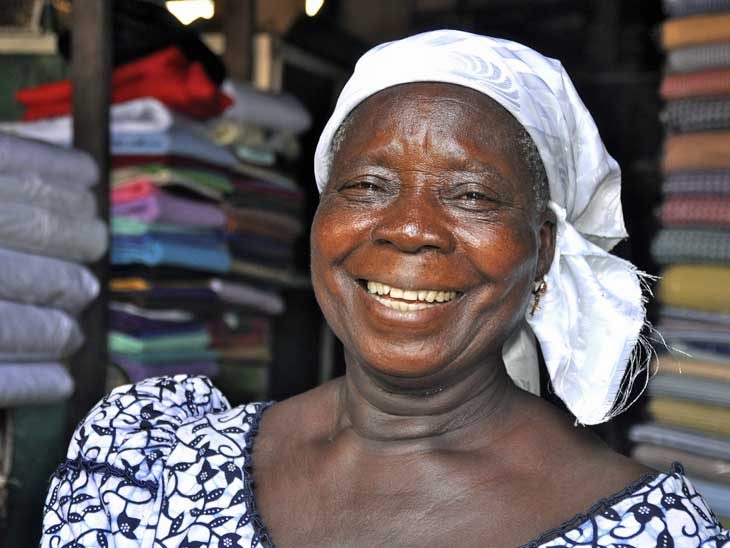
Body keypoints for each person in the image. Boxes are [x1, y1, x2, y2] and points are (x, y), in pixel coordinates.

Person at [41, 30, 729, 547]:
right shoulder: (149, 465)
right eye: (367, 185)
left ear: (542, 253)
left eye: (471, 194)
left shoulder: (647, 532)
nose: (408, 229)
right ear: (320, 219)